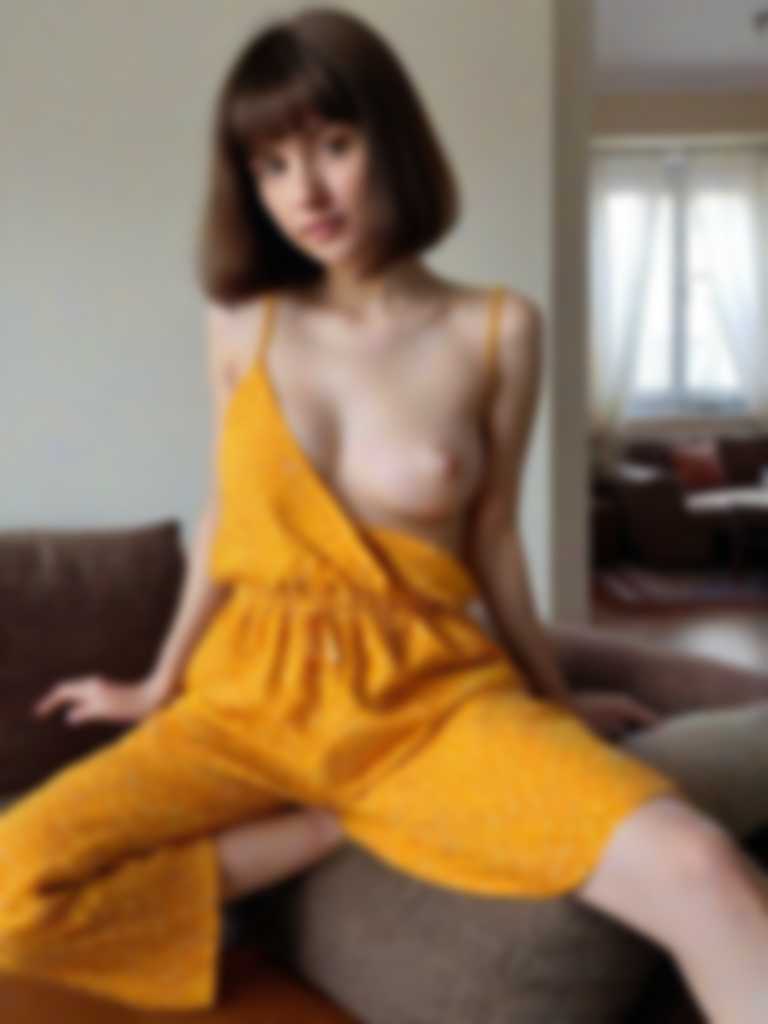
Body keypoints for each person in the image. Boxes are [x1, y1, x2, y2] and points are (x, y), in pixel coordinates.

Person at [6, 6, 768, 1019]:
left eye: (333, 144)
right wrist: (159, 684)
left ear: (391, 139)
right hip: (249, 698)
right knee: (11, 880)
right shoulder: (241, 319)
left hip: (427, 702)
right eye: (272, 164)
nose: (307, 191)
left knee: (702, 868)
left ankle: (361, 808)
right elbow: (225, 512)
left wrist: (553, 697)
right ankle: (325, 830)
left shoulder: (497, 329)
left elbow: (493, 539)